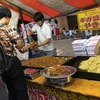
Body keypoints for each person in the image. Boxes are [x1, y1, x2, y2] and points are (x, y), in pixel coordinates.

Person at [0, 6, 29, 100]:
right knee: (20, 90)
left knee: (11, 89)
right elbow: (21, 48)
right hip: (12, 64)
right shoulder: (9, 28)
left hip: (2, 66)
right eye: (9, 18)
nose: (9, 20)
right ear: (6, 16)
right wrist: (27, 46)